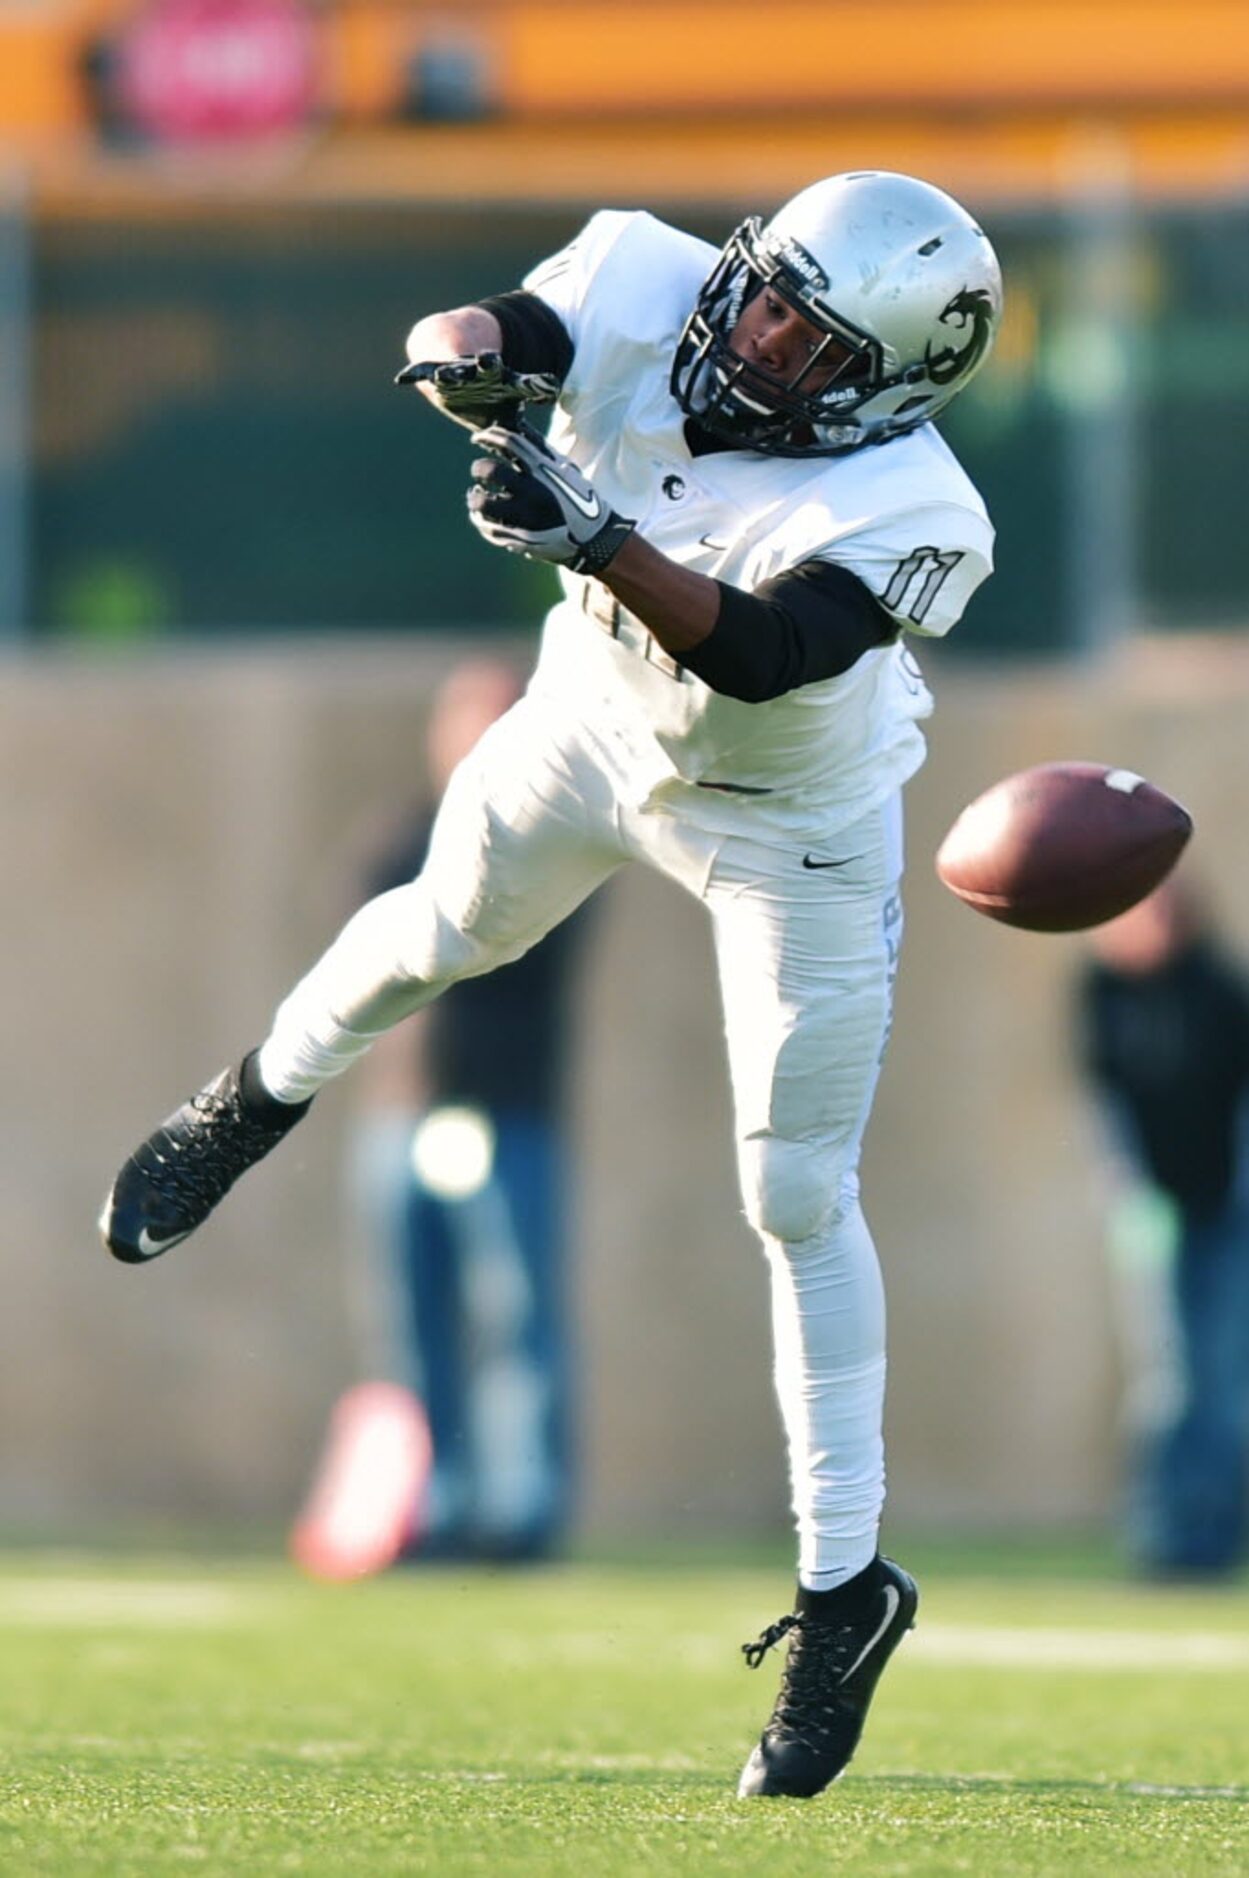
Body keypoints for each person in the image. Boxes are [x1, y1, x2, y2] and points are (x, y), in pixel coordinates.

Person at [100, 170, 1002, 1797]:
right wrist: (454, 361)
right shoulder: (648, 273)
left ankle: (840, 1588)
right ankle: (247, 1099)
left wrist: (595, 533)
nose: (761, 335)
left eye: (810, 336)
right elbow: (496, 325)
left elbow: (762, 650)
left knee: (792, 1195)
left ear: (886, 390)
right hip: (589, 721)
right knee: (434, 922)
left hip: (787, 820)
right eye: (768, 291)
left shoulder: (922, 510)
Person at [291, 656, 588, 1579]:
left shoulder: (560, 838)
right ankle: (430, 1502)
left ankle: (522, 1506)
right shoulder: (399, 837)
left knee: (515, 1313)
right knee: (407, 1318)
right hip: (403, 1116)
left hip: (505, 1114)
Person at [1076, 874, 1249, 1579]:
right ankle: (1168, 1537)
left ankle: (1213, 1539)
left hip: (1225, 1211)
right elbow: (1104, 1097)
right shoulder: (1103, 991)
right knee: (1166, 1378)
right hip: (1154, 1212)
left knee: (1222, 1380)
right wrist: (1126, 1190)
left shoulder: (1216, 991)